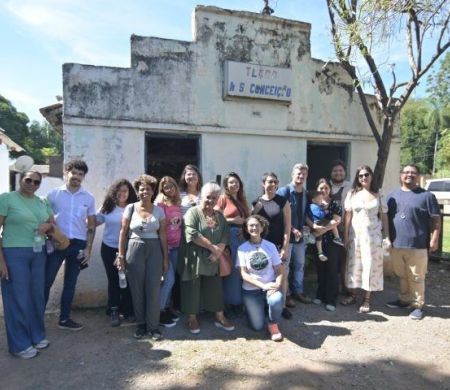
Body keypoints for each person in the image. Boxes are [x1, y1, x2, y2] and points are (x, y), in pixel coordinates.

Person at [0, 171, 54, 359]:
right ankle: (19, 344)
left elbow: (51, 222)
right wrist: (1, 262)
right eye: (28, 180)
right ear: (21, 179)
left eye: (36, 182)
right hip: (14, 252)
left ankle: (36, 335)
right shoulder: (7, 199)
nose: (32, 184)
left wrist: (47, 226)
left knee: (36, 296)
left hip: (38, 253)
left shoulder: (42, 202)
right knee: (17, 299)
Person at [116, 174, 169, 340]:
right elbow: (123, 233)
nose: (145, 191)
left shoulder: (159, 210)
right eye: (141, 189)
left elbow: (163, 235)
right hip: (134, 248)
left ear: (153, 192)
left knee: (153, 288)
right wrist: (121, 256)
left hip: (154, 250)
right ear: (137, 192)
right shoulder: (130, 208)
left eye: (148, 189)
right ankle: (140, 325)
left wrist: (165, 258)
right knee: (136, 288)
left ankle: (153, 327)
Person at [45, 160, 96, 331]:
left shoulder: (88, 198)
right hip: (57, 244)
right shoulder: (53, 195)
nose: (77, 177)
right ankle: (37, 317)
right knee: (47, 281)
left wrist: (88, 248)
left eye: (80, 174)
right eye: (73, 173)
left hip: (79, 245)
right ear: (66, 173)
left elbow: (91, 225)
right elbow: (45, 218)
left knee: (70, 283)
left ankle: (64, 319)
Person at [385, 164, 441, 320]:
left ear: (418, 176)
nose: (409, 175)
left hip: (418, 245)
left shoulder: (427, 196)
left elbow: (436, 220)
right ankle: (404, 300)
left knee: (416, 276)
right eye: (406, 172)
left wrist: (434, 239)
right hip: (397, 244)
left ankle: (418, 305)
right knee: (402, 275)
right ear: (401, 175)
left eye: (413, 173)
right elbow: (385, 219)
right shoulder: (392, 195)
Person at [177, 182, 233, 334]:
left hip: (213, 257)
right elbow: (192, 233)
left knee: (215, 287)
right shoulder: (192, 213)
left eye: (214, 198)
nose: (211, 201)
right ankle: (192, 318)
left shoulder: (219, 215)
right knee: (192, 287)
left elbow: (225, 234)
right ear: (202, 196)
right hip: (194, 256)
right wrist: (212, 248)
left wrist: (218, 251)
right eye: (208, 197)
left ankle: (219, 316)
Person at [342, 166, 390, 313]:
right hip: (355, 236)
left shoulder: (379, 193)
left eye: (366, 175)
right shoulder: (352, 194)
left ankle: (367, 299)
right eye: (360, 175)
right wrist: (345, 236)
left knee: (370, 266)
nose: (363, 178)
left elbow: (384, 215)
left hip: (373, 236)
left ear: (371, 176)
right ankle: (353, 294)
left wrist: (386, 236)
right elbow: (348, 216)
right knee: (354, 265)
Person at [96, 179, 137, 327]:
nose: (122, 194)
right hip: (109, 249)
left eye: (125, 191)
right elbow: (94, 222)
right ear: (114, 192)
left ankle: (127, 310)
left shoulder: (134, 208)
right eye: (119, 191)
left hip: (128, 249)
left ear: (129, 193)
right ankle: (113, 309)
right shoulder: (108, 207)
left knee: (127, 280)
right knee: (114, 280)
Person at [237, 215, 284, 342]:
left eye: (257, 225)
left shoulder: (270, 246)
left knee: (277, 299)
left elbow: (279, 269)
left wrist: (277, 284)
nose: (254, 228)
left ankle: (273, 324)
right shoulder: (242, 249)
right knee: (257, 327)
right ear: (246, 229)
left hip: (270, 287)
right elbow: (243, 274)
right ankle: (251, 310)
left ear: (262, 227)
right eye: (251, 225)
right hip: (250, 290)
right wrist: (263, 286)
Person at [252, 172, 292, 319]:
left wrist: (285, 247)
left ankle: (282, 306)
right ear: (263, 184)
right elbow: (251, 222)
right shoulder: (257, 202)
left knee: (282, 276)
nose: (272, 184)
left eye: (275, 182)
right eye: (269, 182)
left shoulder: (283, 202)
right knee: (263, 276)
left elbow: (288, 226)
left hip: (277, 245)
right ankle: (265, 305)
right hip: (261, 247)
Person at [277, 164, 311, 310]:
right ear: (292, 174)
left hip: (300, 237)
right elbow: (278, 215)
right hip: (286, 236)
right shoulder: (284, 192)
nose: (301, 176)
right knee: (286, 266)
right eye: (298, 173)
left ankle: (298, 292)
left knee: (300, 265)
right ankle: (287, 294)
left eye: (304, 174)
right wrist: (292, 229)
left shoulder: (304, 193)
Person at [215, 172, 249, 317]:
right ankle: (229, 303)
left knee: (241, 270)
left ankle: (238, 302)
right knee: (231, 271)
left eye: (236, 182)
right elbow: (215, 217)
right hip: (229, 238)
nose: (234, 185)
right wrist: (233, 221)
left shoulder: (242, 200)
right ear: (226, 186)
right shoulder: (223, 199)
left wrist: (244, 227)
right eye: (231, 182)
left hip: (242, 238)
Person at [309, 179, 342, 311]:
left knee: (332, 270)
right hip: (318, 241)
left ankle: (331, 299)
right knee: (320, 268)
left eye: (326, 188)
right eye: (321, 188)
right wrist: (313, 227)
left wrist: (323, 229)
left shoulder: (334, 204)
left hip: (331, 241)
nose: (323, 190)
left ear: (330, 189)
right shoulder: (314, 203)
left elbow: (337, 220)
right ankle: (320, 295)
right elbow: (308, 217)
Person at [154, 176, 182, 328]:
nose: (169, 189)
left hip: (178, 246)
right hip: (165, 247)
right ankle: (157, 312)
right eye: (166, 187)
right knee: (168, 279)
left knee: (172, 281)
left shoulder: (178, 203)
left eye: (172, 186)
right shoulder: (159, 204)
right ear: (162, 189)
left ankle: (165, 308)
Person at [329, 160, 352, 296]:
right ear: (331, 173)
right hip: (329, 229)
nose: (338, 173)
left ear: (345, 172)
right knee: (332, 260)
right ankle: (332, 288)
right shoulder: (326, 186)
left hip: (345, 229)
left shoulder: (351, 187)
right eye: (335, 171)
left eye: (340, 170)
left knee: (345, 259)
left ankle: (346, 287)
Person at [307, 189, 343, 261]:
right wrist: (325, 212)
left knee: (319, 239)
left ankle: (320, 252)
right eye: (320, 199)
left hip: (315, 223)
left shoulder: (311, 206)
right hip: (318, 222)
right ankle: (337, 237)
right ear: (313, 200)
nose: (321, 201)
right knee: (334, 222)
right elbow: (318, 214)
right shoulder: (313, 206)